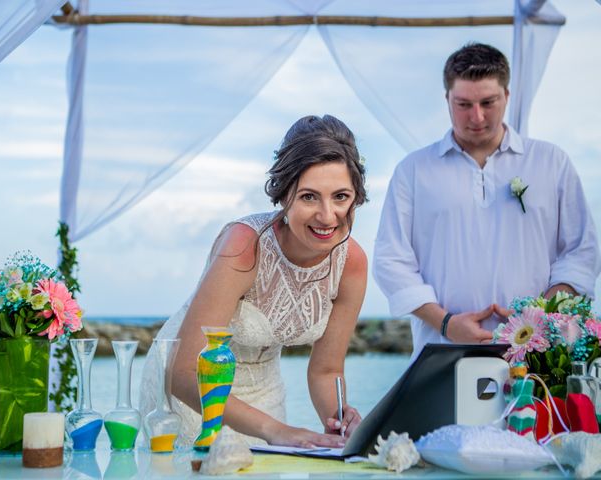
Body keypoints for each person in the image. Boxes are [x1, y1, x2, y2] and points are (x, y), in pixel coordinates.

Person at [140, 114, 368, 448]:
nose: (327, 215)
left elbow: (326, 370)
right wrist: (279, 431)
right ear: (283, 194)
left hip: (265, 394)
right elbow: (183, 372)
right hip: (194, 393)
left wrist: (339, 420)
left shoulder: (352, 263)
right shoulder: (244, 245)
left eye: (340, 196)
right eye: (308, 197)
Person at [373, 43, 600, 360]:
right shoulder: (413, 170)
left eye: (488, 102)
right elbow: (391, 261)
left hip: (537, 353)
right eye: (463, 104)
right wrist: (447, 323)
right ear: (447, 99)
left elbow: (581, 251)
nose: (476, 116)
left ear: (506, 96)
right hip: (443, 351)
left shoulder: (551, 162)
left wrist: (538, 317)